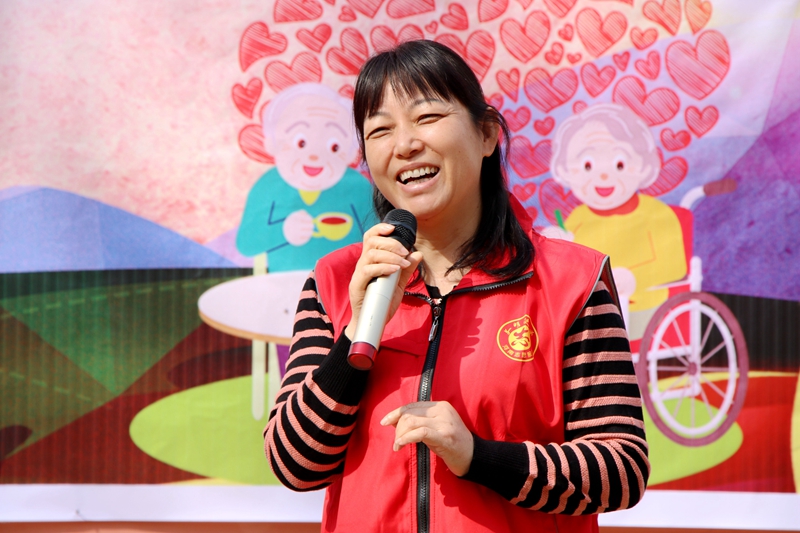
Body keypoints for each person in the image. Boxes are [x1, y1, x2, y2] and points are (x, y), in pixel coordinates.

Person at [264, 41, 649, 532]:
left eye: (426, 118)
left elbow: (621, 469)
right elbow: (295, 465)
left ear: (487, 134)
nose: (404, 145)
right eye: (380, 130)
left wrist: (478, 457)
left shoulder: (572, 281)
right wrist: (357, 331)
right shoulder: (336, 281)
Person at [546, 103, 686, 338]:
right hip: (589, 313)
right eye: (587, 165)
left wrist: (634, 278)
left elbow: (675, 265)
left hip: (643, 307)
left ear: (643, 165)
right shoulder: (578, 219)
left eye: (619, 164)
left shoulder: (657, 215)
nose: (603, 175)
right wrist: (558, 246)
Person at [236, 82, 376, 272]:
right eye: (301, 142)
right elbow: (245, 244)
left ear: (352, 151)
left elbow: (378, 238)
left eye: (334, 146)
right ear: (272, 143)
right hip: (281, 285)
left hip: (347, 283)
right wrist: (283, 231)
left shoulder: (359, 187)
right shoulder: (267, 186)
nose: (314, 156)